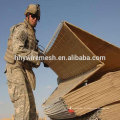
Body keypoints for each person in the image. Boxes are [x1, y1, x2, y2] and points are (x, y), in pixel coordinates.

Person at [4, 4, 43, 120]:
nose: (35, 18)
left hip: (25, 71)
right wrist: (37, 56)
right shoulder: (21, 29)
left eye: (37, 17)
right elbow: (18, 50)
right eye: (32, 16)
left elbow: (33, 56)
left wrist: (44, 58)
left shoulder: (32, 35)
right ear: (27, 16)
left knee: (32, 110)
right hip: (15, 68)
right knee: (23, 106)